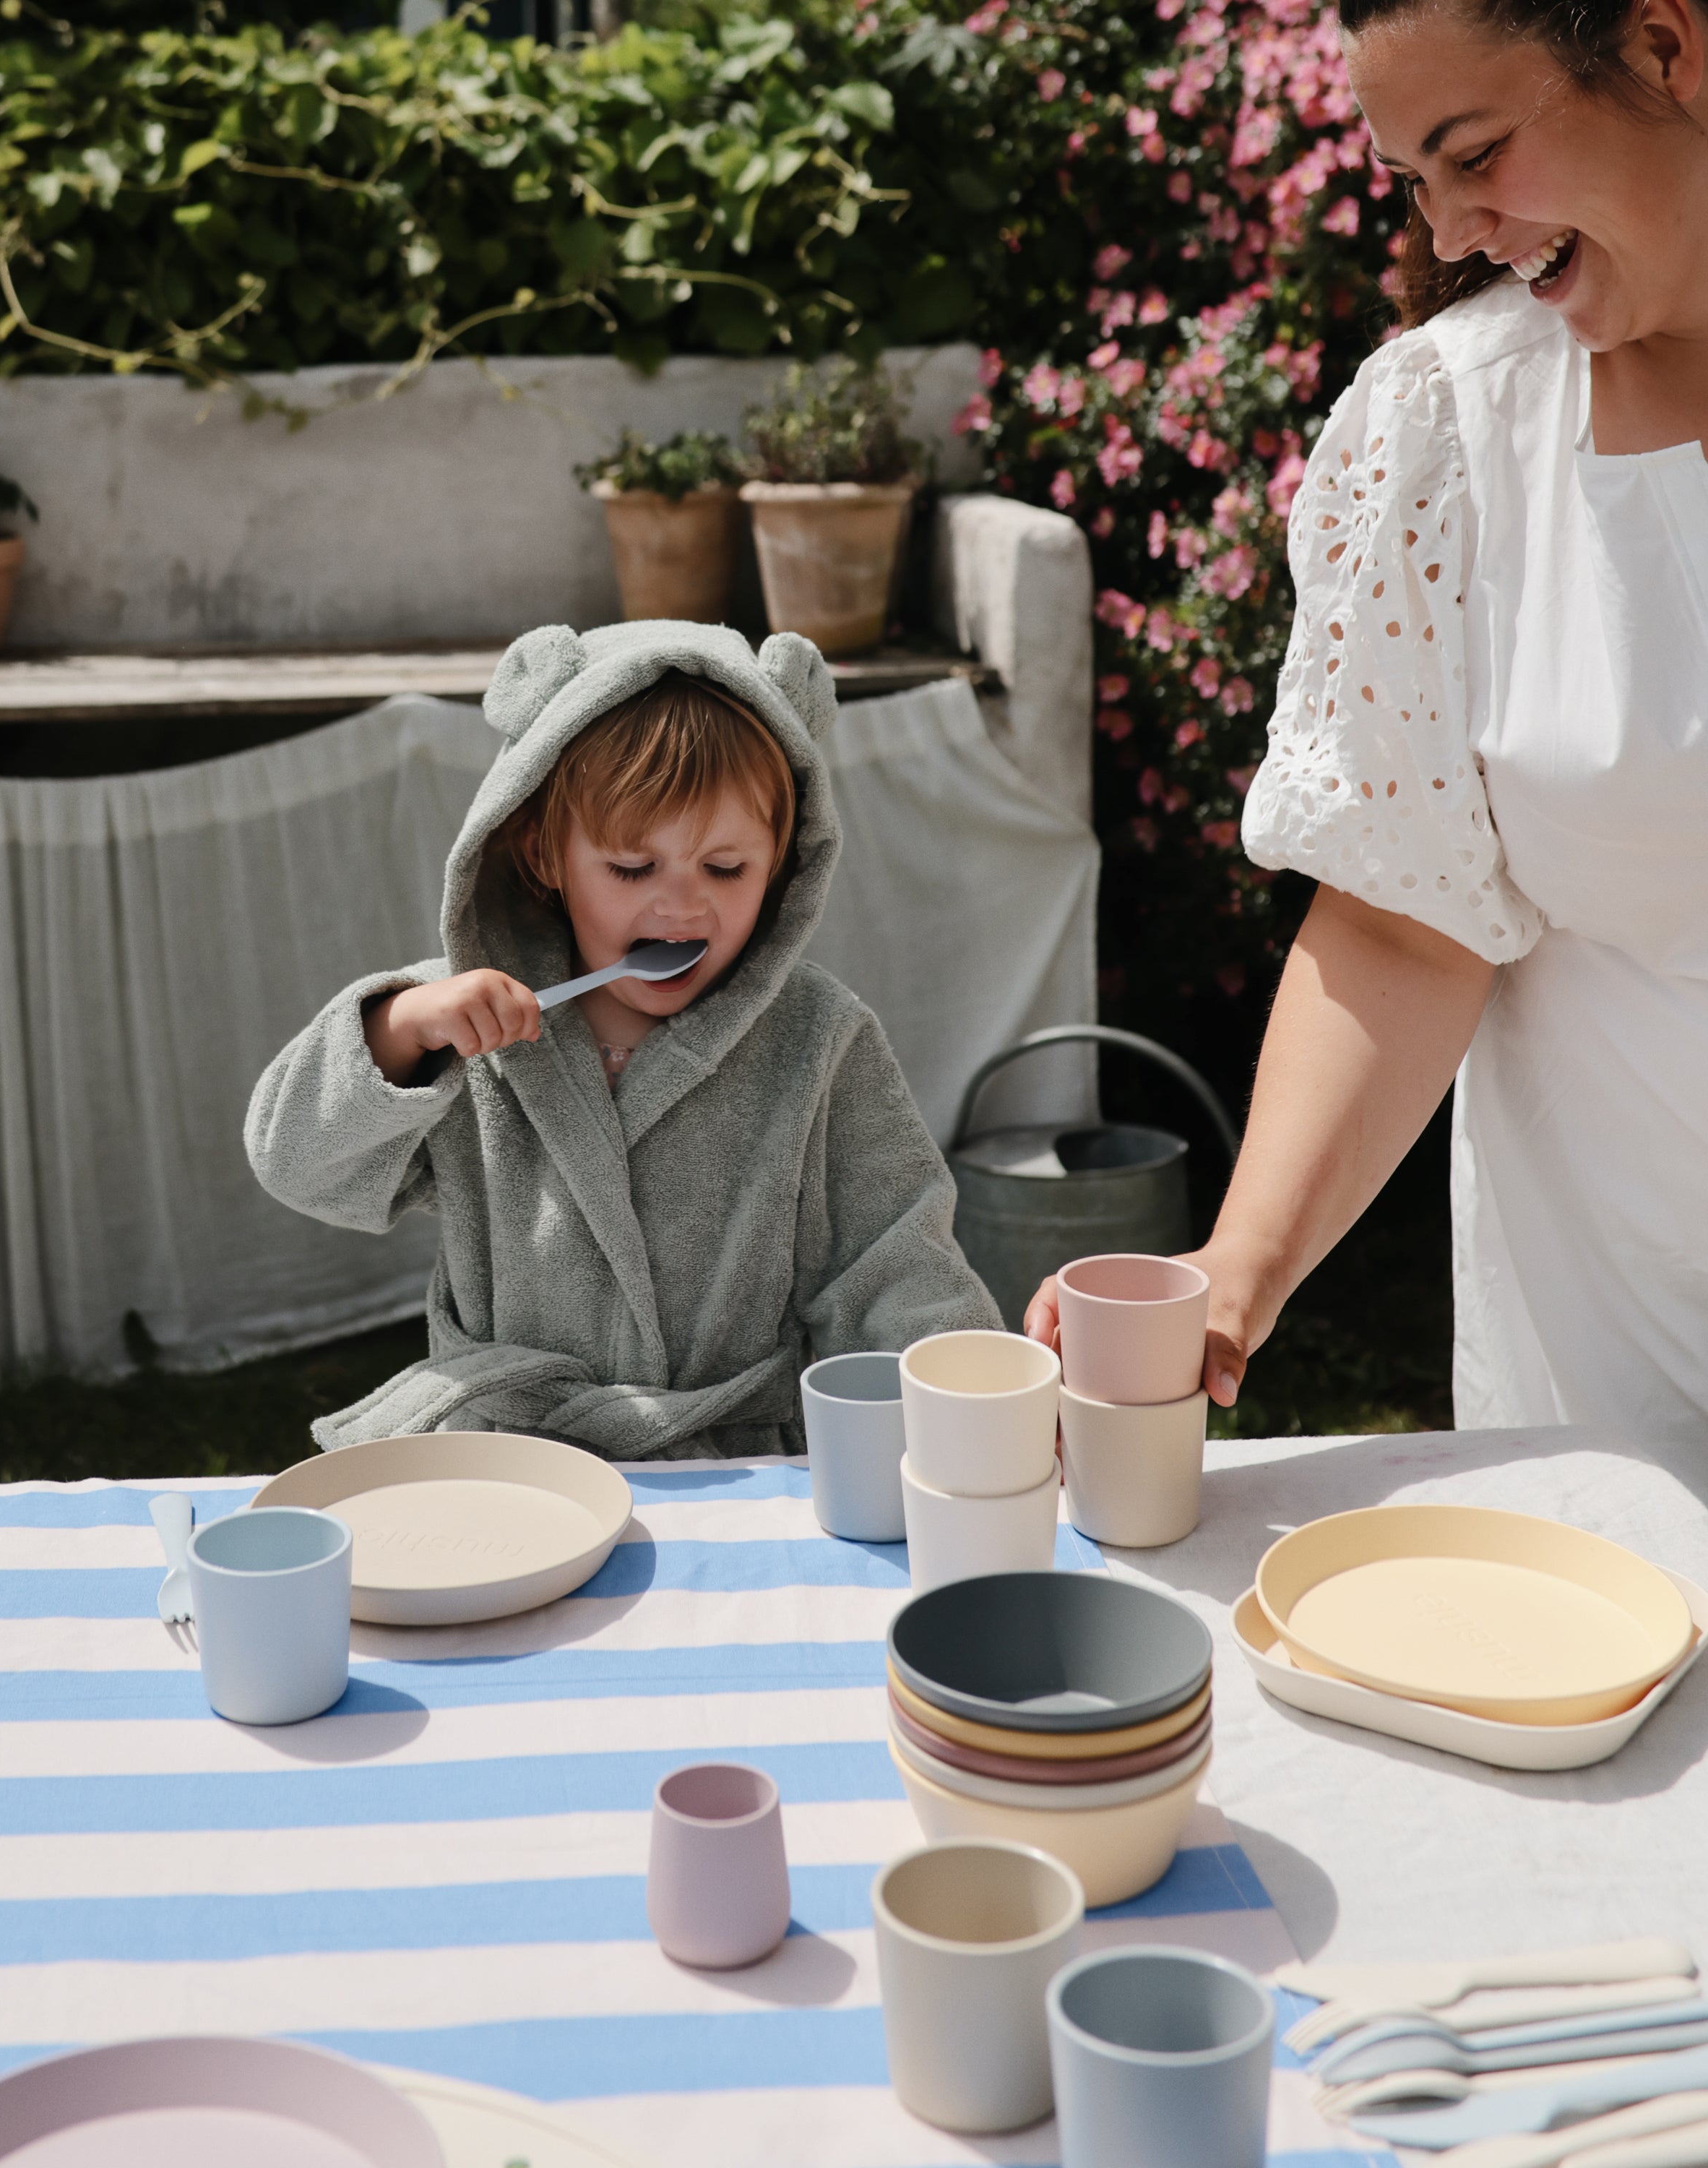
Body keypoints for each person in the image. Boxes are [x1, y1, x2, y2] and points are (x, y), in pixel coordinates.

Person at [1029, 0, 1708, 1443]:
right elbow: (1407, 921)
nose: (1451, 228)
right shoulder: (1455, 430)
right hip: (1621, 1380)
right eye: (1414, 179)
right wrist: (1235, 1271)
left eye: (1476, 152)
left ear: (1665, 48)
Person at [247, 620, 996, 1460]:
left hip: (729, 1463)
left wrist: (978, 1415)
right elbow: (296, 1164)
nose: (681, 906)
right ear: (543, 853)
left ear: (785, 861)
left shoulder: (818, 1037)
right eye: (632, 869)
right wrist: (398, 1031)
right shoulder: (464, 1024)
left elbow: (896, 1264)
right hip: (513, 1460)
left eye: (726, 868)